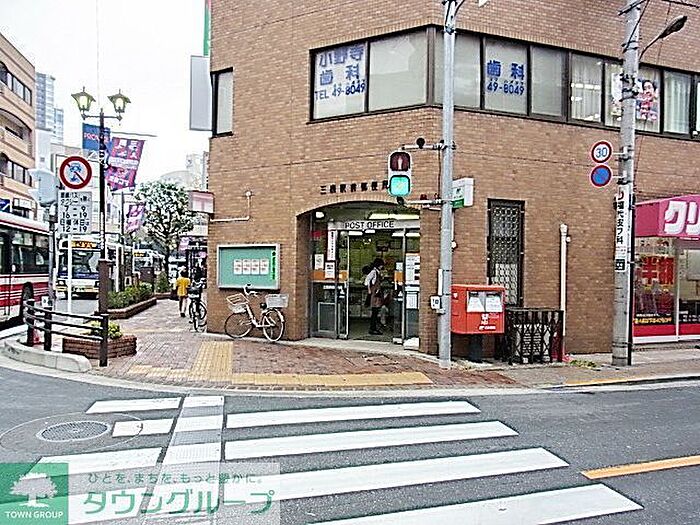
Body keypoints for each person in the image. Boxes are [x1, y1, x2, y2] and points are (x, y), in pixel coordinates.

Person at [364, 257, 385, 335]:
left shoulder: (377, 272)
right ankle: (373, 328)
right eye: (381, 265)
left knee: (375, 312)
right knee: (375, 312)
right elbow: (367, 281)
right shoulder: (373, 272)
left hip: (376, 294)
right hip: (374, 294)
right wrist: (369, 289)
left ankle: (374, 328)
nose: (382, 266)